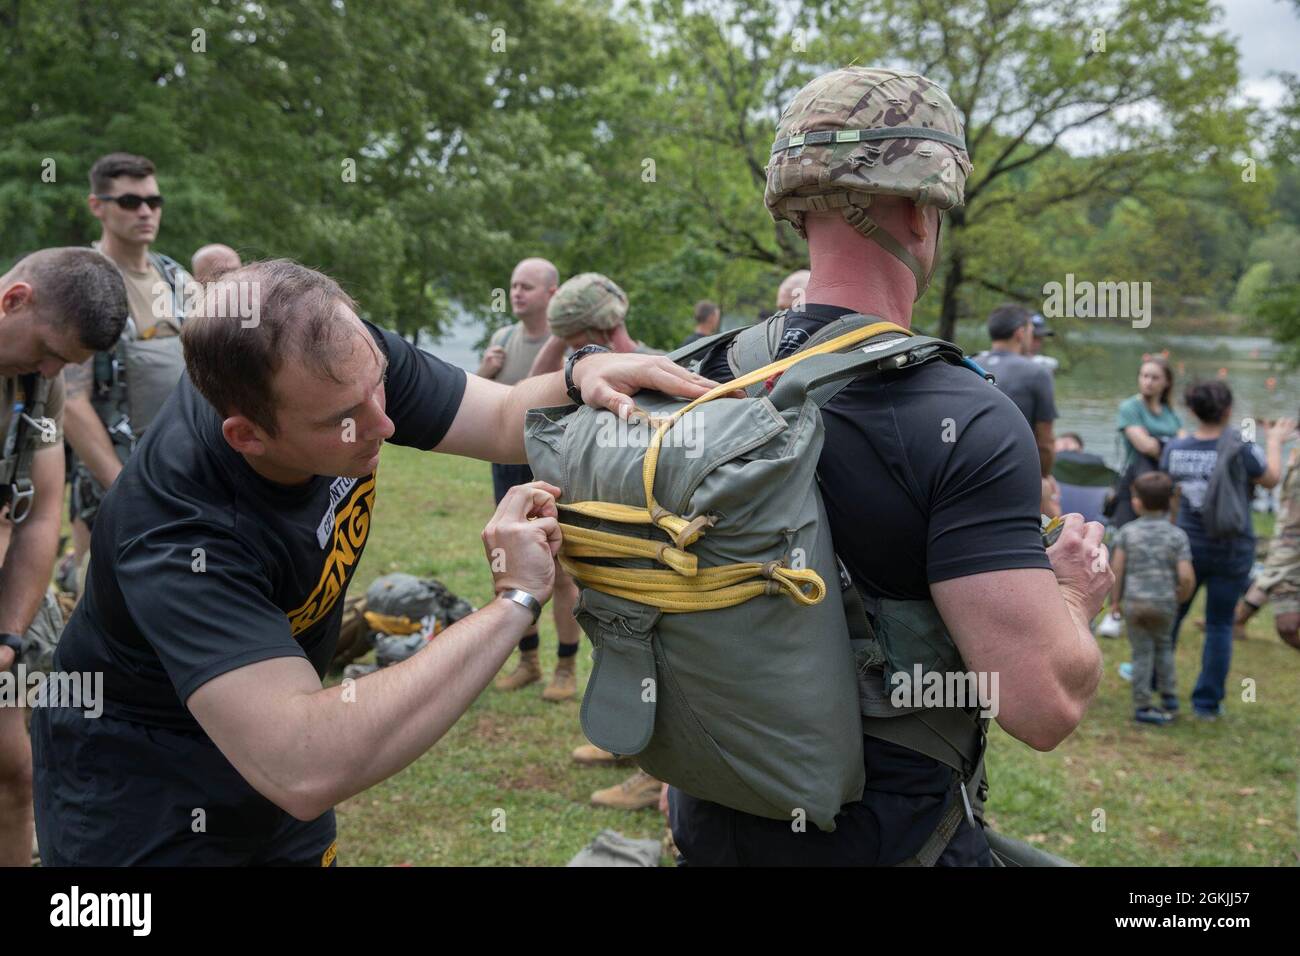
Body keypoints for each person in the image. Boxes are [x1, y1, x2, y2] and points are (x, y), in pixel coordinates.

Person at [30, 258, 718, 865]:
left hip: (274, 774)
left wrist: (582, 372)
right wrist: (513, 602)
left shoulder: (336, 362)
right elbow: (304, 762)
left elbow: (506, 416)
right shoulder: (180, 529)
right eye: (341, 421)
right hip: (142, 789)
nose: (384, 426)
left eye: (379, 386)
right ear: (248, 436)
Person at [671, 66, 1109, 866]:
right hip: (891, 838)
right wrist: (1076, 591)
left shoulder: (698, 375)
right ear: (920, 205)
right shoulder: (968, 417)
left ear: (796, 205)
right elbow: (1042, 705)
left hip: (710, 816)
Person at [0, 247, 129, 866]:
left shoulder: (40, 384)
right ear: (14, 301)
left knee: (14, 775)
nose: (52, 371)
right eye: (49, 351)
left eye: (67, 363)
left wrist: (7, 634)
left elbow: (39, 514)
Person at [63, 152, 195, 582]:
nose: (145, 211)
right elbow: (70, 400)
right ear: (96, 205)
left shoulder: (175, 277)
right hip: (115, 481)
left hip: (183, 469)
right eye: (129, 202)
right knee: (105, 592)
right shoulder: (83, 282)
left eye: (153, 202)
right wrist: (125, 487)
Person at [475, 258, 582, 700]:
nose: (516, 292)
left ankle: (566, 670)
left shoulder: (575, 350)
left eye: (527, 286)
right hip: (508, 470)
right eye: (513, 285)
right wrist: (484, 370)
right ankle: (529, 661)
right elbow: (483, 406)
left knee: (560, 572)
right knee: (510, 563)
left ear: (552, 295)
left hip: (553, 469)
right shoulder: (501, 340)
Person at [1160, 381, 1290, 719]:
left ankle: (1161, 690)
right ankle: (1207, 703)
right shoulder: (1241, 447)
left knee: (1173, 617)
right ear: (1229, 411)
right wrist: (1274, 441)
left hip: (1187, 547)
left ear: (1191, 410)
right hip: (1232, 546)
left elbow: (1170, 496)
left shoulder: (1174, 449)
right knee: (1219, 624)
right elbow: (1272, 479)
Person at [1109, 472, 1194, 726]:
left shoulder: (1126, 533)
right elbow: (1186, 576)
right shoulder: (1177, 535)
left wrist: (1115, 602)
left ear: (1136, 502)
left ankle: (1143, 705)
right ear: (1169, 502)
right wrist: (1181, 595)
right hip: (1164, 602)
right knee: (1164, 648)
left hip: (1135, 602)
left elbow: (1117, 569)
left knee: (1141, 653)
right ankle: (1169, 698)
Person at [1234, 425, 1300, 650]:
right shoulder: (1296, 456)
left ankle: (1236, 621)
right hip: (1289, 535)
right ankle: (1236, 622)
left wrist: (1274, 442)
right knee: (1287, 626)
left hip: (1290, 538)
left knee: (1271, 576)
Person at [975, 304, 1057, 480]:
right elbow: (1046, 442)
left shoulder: (968, 364)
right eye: (1031, 330)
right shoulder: (1038, 373)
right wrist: (1044, 478)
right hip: (1013, 473)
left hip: (970, 470)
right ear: (1021, 333)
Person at [1110, 355, 1181, 527]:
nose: (1148, 382)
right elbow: (1145, 446)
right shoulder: (1130, 407)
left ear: (1167, 382)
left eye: (1155, 378)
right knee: (1126, 533)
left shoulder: (1170, 412)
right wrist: (1169, 444)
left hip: (1164, 481)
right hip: (1136, 482)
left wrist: (1158, 443)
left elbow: (1184, 444)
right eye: (1144, 376)